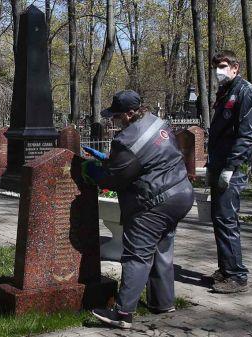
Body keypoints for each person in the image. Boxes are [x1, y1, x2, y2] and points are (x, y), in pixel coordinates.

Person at [83, 90, 194, 329]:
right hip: (181, 194)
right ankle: (163, 303)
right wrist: (109, 159)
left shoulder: (126, 140)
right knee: (162, 246)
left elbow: (115, 178)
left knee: (137, 255)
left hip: (155, 202)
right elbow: (147, 160)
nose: (113, 120)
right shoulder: (157, 122)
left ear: (130, 113)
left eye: (116, 116)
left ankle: (122, 313)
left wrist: (94, 171)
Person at [207, 50, 252, 293]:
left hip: (233, 167)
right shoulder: (226, 91)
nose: (219, 70)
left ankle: (237, 276)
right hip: (220, 164)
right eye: (216, 66)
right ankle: (226, 268)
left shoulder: (245, 92)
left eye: (224, 65)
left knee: (227, 219)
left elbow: (247, 135)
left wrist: (230, 167)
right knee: (219, 218)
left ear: (235, 68)